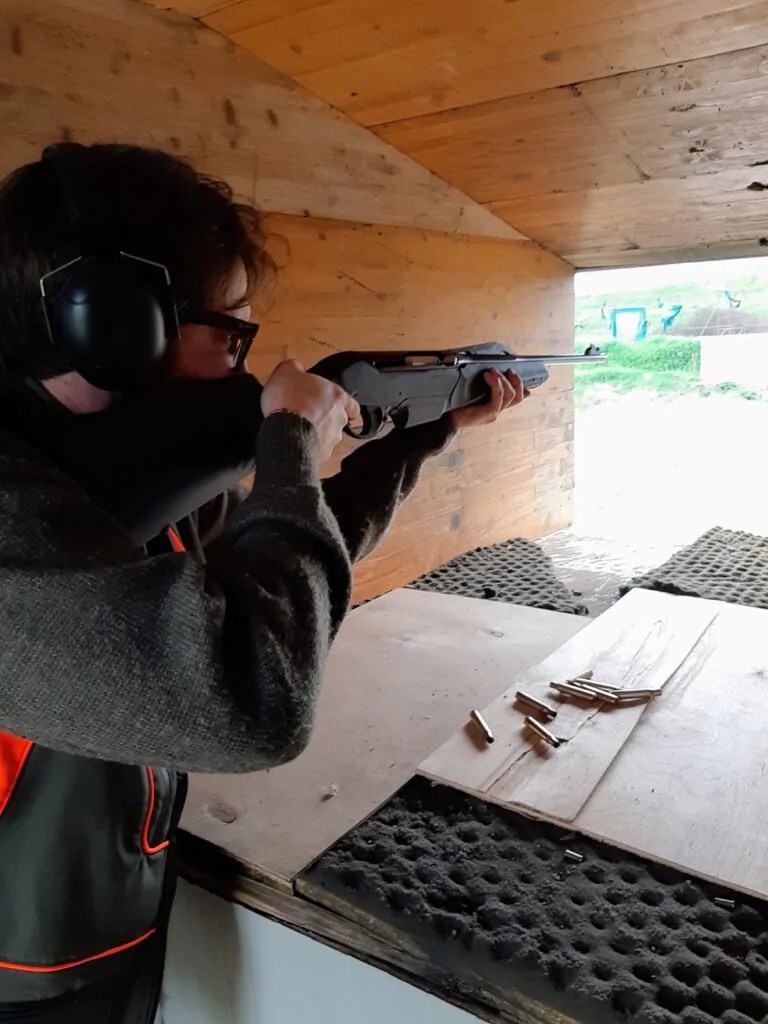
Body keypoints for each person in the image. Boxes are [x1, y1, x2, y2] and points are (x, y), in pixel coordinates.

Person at [0, 143, 528, 1024]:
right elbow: (250, 698)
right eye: (232, 333)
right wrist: (288, 446)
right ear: (122, 330)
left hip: (102, 909)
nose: (248, 367)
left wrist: (407, 444)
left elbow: (277, 587)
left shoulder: (104, 481)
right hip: (24, 967)